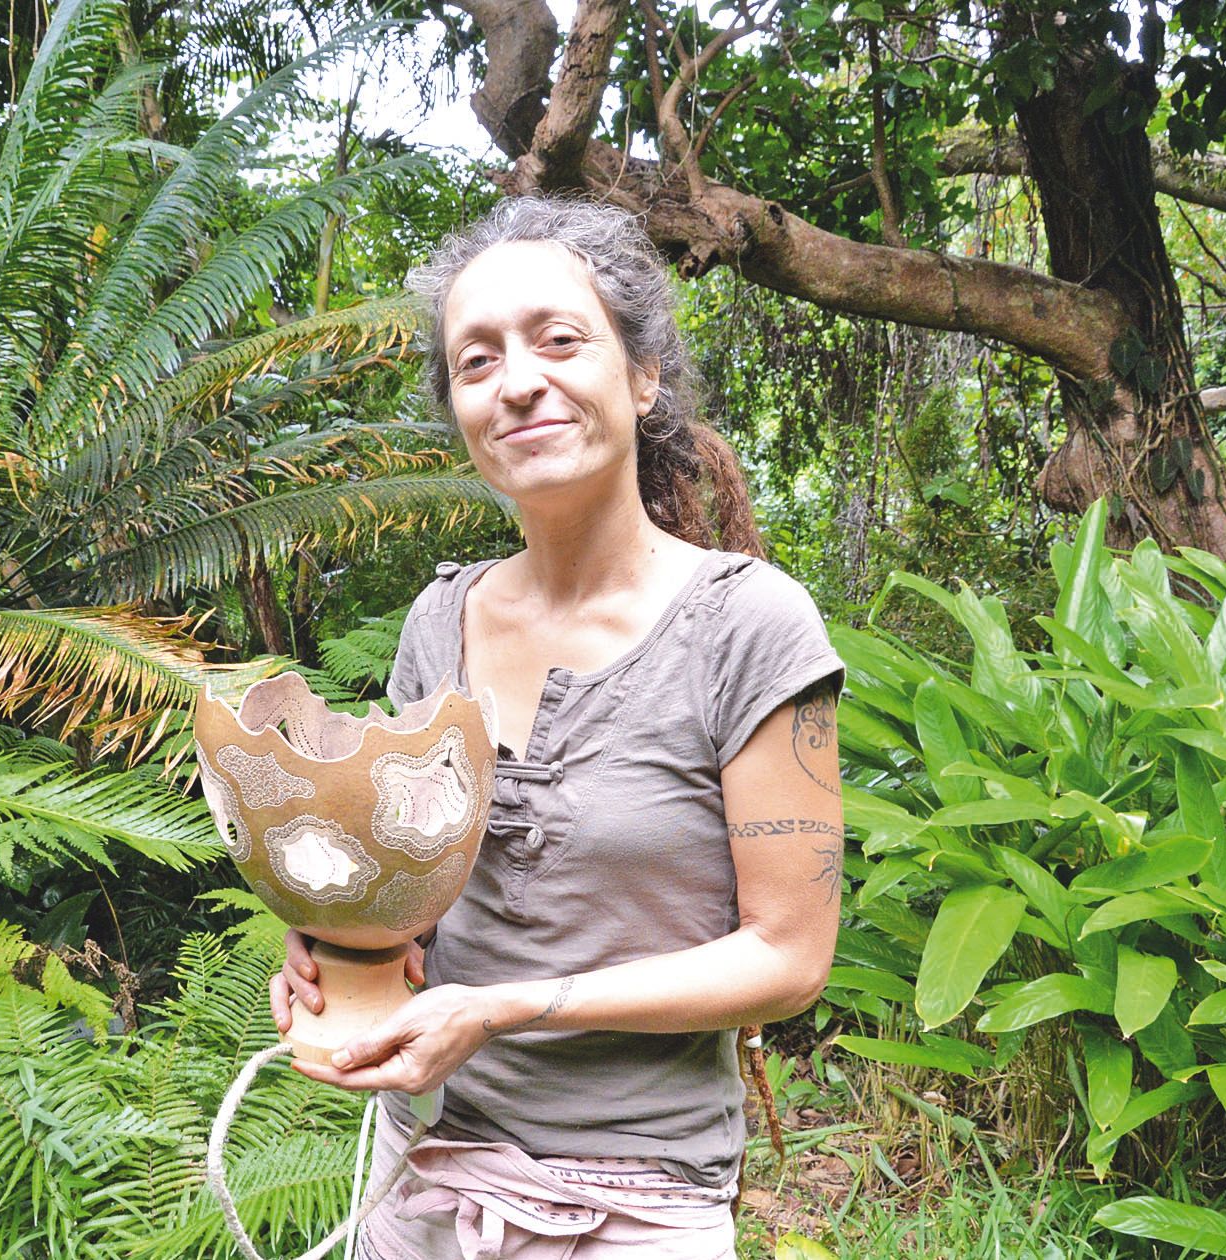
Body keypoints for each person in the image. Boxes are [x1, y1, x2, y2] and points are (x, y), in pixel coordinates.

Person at [267, 197, 844, 1259]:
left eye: (560, 340)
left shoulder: (749, 625)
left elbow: (790, 959)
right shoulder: (439, 621)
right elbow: (415, 903)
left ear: (643, 374)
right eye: (476, 362)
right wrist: (337, 952)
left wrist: (498, 1010)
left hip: (637, 1205)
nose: (518, 380)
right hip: (427, 1176)